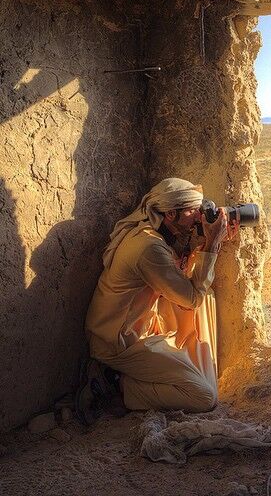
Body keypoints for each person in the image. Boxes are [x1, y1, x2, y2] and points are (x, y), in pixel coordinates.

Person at [76, 178, 232, 423]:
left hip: (137, 328)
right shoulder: (149, 248)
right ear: (170, 214)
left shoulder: (150, 234)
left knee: (206, 296)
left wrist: (207, 243)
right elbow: (191, 299)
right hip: (116, 342)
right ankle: (112, 384)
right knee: (204, 396)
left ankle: (131, 377)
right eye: (193, 211)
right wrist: (212, 243)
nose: (198, 217)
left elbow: (182, 284)